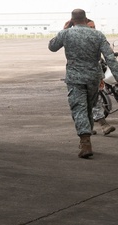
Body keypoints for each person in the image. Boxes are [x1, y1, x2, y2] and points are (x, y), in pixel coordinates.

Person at [49, 8, 118, 158]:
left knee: (79, 109)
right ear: (86, 20)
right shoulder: (98, 34)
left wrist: (64, 29)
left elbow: (52, 47)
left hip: (75, 78)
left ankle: (85, 142)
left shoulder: (66, 33)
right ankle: (86, 140)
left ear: (72, 21)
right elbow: (110, 58)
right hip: (93, 77)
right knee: (88, 108)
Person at [62, 16, 115, 136]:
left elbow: (104, 58)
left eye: (94, 27)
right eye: (90, 27)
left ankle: (88, 129)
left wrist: (101, 77)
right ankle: (101, 125)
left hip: (93, 77)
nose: (92, 29)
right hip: (78, 78)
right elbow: (53, 45)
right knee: (82, 105)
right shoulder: (72, 38)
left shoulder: (97, 37)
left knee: (91, 103)